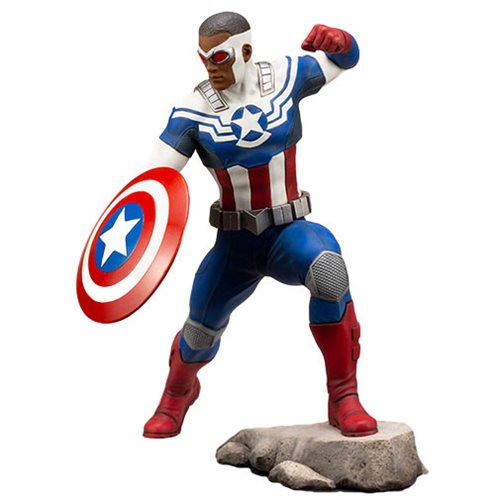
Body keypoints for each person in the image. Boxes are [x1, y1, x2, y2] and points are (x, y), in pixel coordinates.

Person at [143, 11, 378, 439]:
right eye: (203, 58)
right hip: (234, 246)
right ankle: (177, 393)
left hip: (288, 232)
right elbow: (156, 180)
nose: (210, 68)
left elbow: (345, 60)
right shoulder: (193, 109)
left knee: (329, 270)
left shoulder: (285, 76)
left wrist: (341, 39)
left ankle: (344, 395)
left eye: (218, 57)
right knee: (199, 329)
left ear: (246, 51)